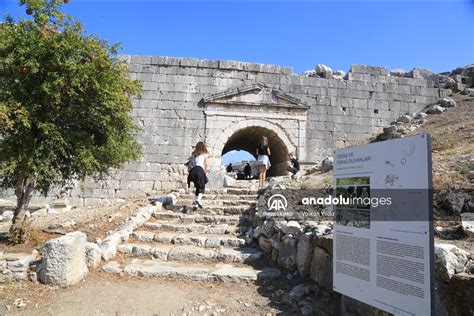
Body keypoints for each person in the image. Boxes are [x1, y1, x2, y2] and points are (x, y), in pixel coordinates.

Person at [187, 142, 209, 209]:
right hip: (200, 170)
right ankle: (198, 200)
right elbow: (206, 164)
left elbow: (190, 164)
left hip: (193, 171)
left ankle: (196, 205)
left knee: (197, 187)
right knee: (202, 187)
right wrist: (205, 173)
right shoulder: (205, 154)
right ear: (204, 147)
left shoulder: (194, 154)